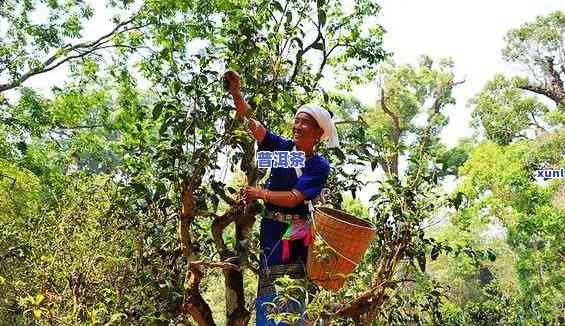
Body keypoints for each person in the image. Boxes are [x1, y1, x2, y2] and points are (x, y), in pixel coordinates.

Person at [224, 71, 339, 326]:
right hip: (271, 229)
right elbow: (255, 125)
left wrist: (261, 193)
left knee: (292, 286)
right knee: (268, 286)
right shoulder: (285, 150)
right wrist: (236, 93)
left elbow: (295, 198)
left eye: (305, 123)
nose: (297, 127)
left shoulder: (318, 165)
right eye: (296, 121)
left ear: (319, 132)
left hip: (297, 233)